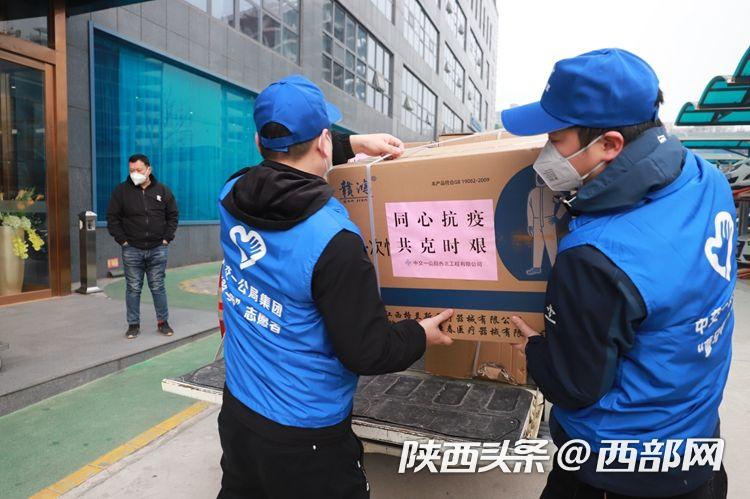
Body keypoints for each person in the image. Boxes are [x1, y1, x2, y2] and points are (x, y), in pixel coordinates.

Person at [503, 49, 733, 498]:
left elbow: (575, 386)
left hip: (616, 471)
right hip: (699, 445)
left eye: (556, 139)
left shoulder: (596, 256)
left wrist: (534, 350)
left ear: (609, 145)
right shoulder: (707, 181)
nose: (544, 154)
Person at [216, 75, 454, 499]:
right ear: (324, 143)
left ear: (258, 142)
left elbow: (278, 171)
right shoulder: (333, 240)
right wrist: (420, 334)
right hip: (306, 435)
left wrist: (354, 144)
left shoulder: (231, 195)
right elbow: (367, 351)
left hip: (239, 413)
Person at [107, 154, 179, 339]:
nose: (135, 174)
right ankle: (133, 325)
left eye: (138, 170)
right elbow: (112, 218)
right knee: (133, 288)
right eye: (131, 170)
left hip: (158, 248)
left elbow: (172, 216)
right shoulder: (121, 191)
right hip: (132, 248)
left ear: (148, 170)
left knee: (158, 286)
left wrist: (166, 239)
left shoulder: (163, 191)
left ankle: (163, 322)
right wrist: (123, 240)